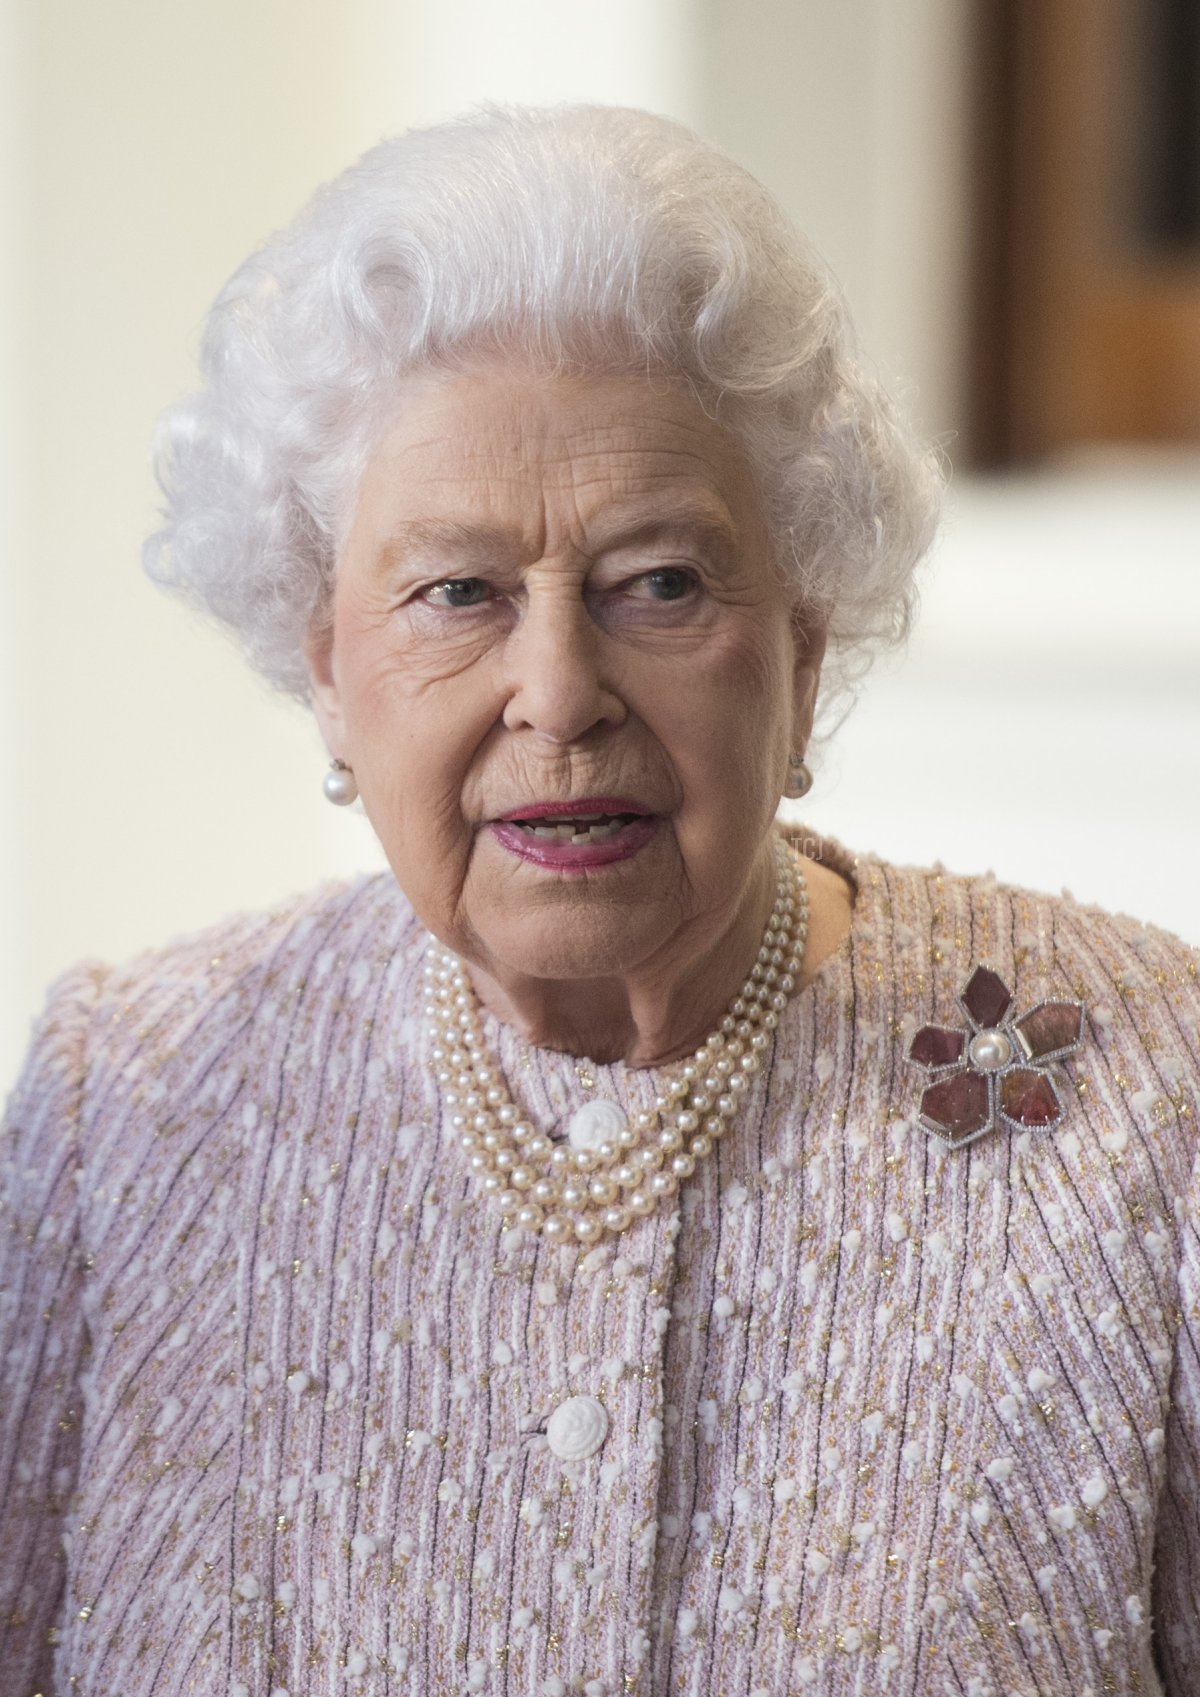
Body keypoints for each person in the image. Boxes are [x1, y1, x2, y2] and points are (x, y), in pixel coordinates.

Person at [1, 104, 1196, 1697]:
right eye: (456, 592)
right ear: (329, 671)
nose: (557, 693)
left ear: (807, 648)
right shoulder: (124, 1114)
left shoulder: (1141, 1107)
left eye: (662, 581)